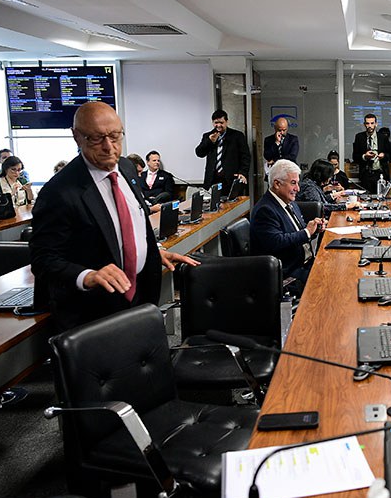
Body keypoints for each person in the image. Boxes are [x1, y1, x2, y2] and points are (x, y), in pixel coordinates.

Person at [29, 102, 197, 332]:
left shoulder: (126, 168)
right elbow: (43, 259)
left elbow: (131, 222)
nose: (109, 147)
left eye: (115, 136)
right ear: (77, 137)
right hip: (94, 314)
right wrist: (87, 276)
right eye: (97, 138)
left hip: (140, 297)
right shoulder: (58, 192)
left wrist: (147, 252)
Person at [250, 159, 325, 295]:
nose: (298, 189)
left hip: (305, 264)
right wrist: (307, 232)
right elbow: (276, 242)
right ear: (277, 184)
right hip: (290, 273)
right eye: (293, 183)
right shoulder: (265, 209)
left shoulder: (289, 201)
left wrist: (314, 230)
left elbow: (297, 233)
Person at [195, 109, 250, 194]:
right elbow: (199, 153)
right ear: (213, 123)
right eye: (216, 123)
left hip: (231, 179)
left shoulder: (237, 136)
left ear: (226, 122)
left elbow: (245, 156)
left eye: (221, 122)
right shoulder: (208, 136)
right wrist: (209, 141)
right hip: (212, 180)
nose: (218, 125)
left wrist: (243, 172)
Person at [352, 113, 390, 193]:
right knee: (366, 198)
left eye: (372, 123)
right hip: (366, 173)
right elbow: (355, 156)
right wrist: (364, 156)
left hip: (380, 173)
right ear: (364, 124)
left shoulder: (383, 137)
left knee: (380, 197)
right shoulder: (359, 137)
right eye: (367, 123)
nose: (370, 126)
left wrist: (383, 155)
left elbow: (390, 154)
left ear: (376, 124)